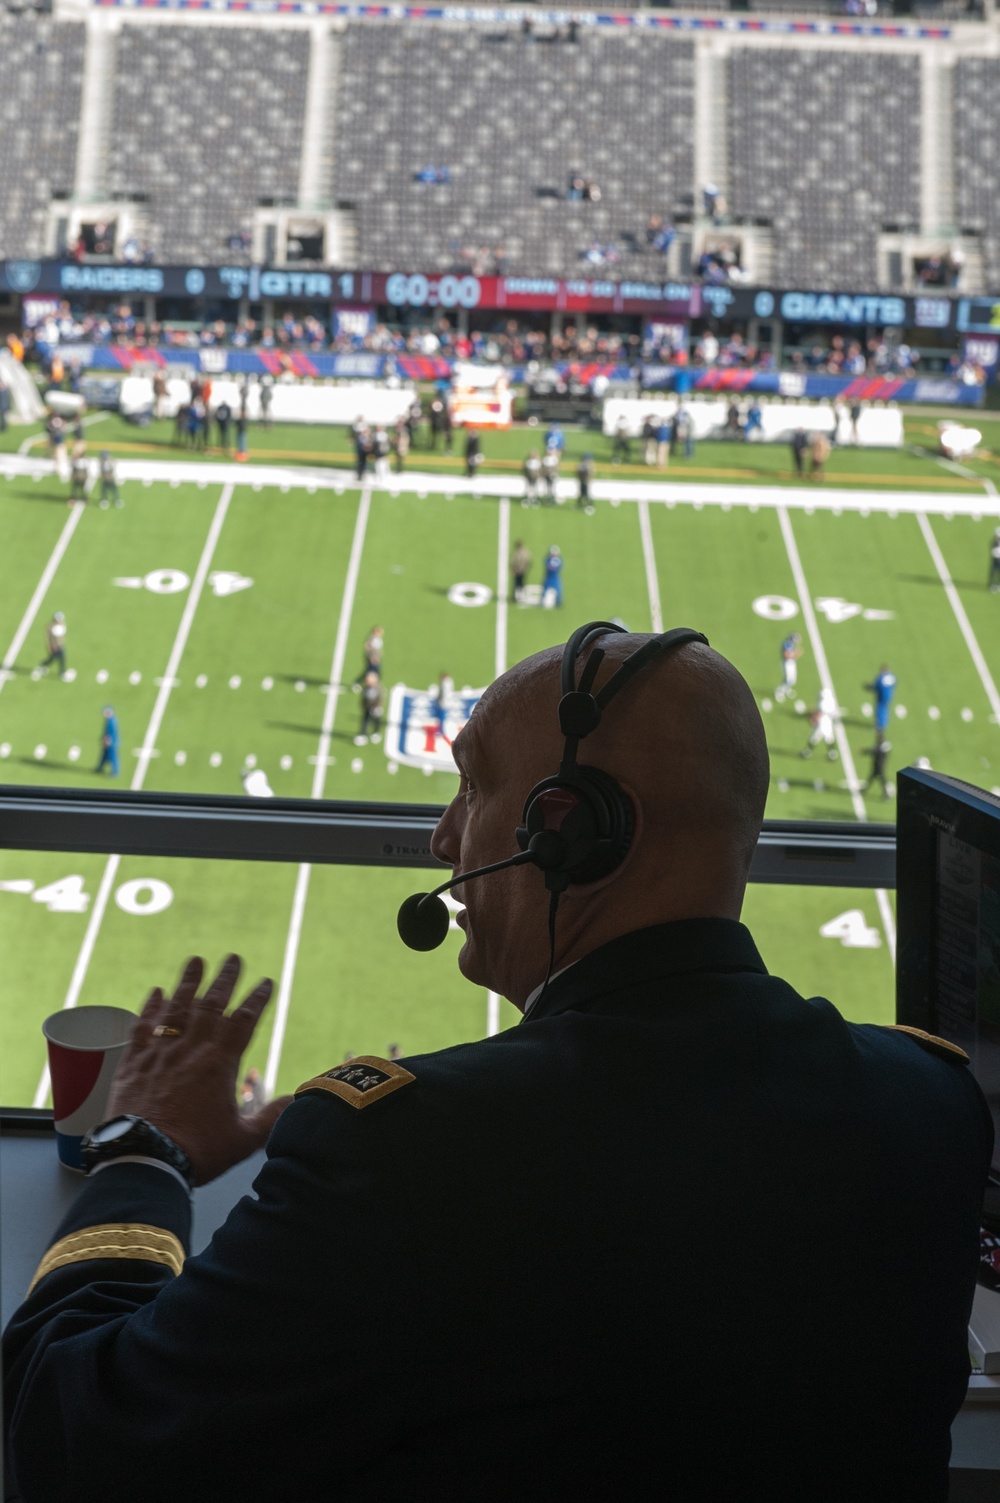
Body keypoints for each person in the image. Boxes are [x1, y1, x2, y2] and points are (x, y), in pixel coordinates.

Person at [3, 629, 990, 1502]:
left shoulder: (408, 1159)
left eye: (472, 786)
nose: (443, 836)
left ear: (572, 831)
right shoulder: (933, 1102)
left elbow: (70, 1438)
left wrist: (141, 1154)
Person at [800, 685, 838, 760]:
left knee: (814, 738)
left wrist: (812, 718)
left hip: (822, 723)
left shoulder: (823, 703)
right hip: (828, 722)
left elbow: (820, 714)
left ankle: (807, 752)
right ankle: (832, 754)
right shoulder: (832, 701)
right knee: (828, 738)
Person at [865, 664, 897, 734]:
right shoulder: (892, 676)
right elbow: (895, 683)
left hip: (882, 695)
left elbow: (876, 686)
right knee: (885, 708)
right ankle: (884, 723)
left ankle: (880, 725)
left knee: (880, 708)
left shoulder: (881, 678)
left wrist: (868, 687)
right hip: (889, 695)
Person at [355, 671, 385, 745]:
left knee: (376, 721)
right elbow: (364, 698)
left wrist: (378, 707)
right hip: (367, 708)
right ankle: (362, 734)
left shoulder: (378, 689)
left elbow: (381, 698)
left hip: (375, 708)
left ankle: (376, 733)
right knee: (365, 721)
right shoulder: (367, 688)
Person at [774, 632, 802, 703]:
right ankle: (779, 691)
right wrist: (796, 654)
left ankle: (786, 690)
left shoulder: (791, 644)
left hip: (792, 663)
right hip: (787, 663)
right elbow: (787, 655)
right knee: (788, 679)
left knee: (792, 680)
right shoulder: (788, 644)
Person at [38, 612, 68, 677]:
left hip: (60, 645)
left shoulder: (62, 624)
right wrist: (51, 647)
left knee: (62, 659)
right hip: (54, 647)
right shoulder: (51, 627)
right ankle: (44, 664)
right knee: (52, 660)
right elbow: (49, 638)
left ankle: (62, 672)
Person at [862, 735, 892, 800]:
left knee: (881, 780)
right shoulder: (884, 748)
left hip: (879, 766)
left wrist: (864, 751)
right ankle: (864, 790)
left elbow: (873, 752)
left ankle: (887, 794)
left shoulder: (879, 749)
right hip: (879, 766)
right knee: (873, 778)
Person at [95, 704, 120, 776]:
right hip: (111, 742)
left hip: (111, 743)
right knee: (104, 756)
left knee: (112, 757)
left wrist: (105, 742)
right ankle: (100, 768)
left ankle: (115, 771)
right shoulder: (112, 720)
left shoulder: (111, 722)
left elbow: (110, 734)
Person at [989, 526, 1000, 593]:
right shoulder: (994, 543)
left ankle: (998, 584)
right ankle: (992, 584)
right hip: (995, 560)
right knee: (993, 573)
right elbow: (992, 551)